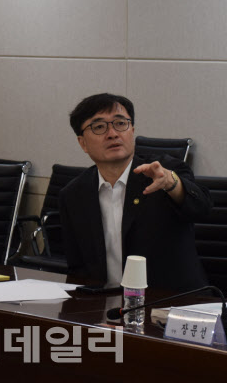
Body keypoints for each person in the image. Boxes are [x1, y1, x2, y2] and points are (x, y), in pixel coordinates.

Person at [59, 93, 212, 291]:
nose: (112, 134)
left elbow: (202, 208)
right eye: (99, 127)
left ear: (132, 131)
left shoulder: (164, 172)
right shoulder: (73, 195)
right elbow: (77, 268)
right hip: (106, 302)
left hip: (171, 300)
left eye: (120, 124)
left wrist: (171, 183)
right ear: (83, 143)